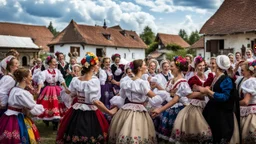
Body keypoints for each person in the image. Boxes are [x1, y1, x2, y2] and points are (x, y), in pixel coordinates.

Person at [56, 52, 117, 144]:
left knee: (74, 133)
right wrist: (109, 112)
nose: (98, 66)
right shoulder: (94, 81)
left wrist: (76, 94)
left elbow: (71, 94)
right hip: (90, 111)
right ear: (92, 67)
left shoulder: (76, 80)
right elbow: (95, 101)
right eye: (97, 65)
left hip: (76, 110)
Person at [108, 59, 167, 144]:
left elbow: (121, 96)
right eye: (144, 65)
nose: (146, 66)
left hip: (126, 110)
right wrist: (163, 94)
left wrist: (115, 106)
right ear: (139, 68)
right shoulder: (143, 83)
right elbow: (155, 97)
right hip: (139, 111)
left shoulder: (126, 82)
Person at [198, 55, 239, 144]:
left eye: (214, 63)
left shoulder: (226, 79)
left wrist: (208, 91)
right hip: (214, 113)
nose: (212, 65)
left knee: (220, 138)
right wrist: (205, 92)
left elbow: (225, 97)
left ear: (219, 65)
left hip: (222, 115)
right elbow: (213, 95)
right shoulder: (216, 78)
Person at [171, 56, 213, 143]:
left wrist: (207, 92)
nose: (202, 67)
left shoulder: (207, 77)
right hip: (196, 105)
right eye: (199, 66)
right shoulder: (193, 79)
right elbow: (192, 94)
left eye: (203, 65)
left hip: (206, 104)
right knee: (200, 128)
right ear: (196, 66)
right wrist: (207, 92)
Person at [152, 56, 191, 142]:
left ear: (177, 68)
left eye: (172, 66)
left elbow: (175, 100)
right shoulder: (172, 80)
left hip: (182, 108)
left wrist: (160, 109)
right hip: (171, 106)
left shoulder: (182, 82)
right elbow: (168, 95)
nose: (169, 68)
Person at [0, 68, 44, 143]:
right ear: (24, 78)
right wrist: (43, 108)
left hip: (8, 117)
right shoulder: (22, 93)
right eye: (30, 76)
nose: (31, 78)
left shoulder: (14, 89)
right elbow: (33, 109)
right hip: (17, 118)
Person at [36, 55, 70, 130]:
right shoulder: (44, 72)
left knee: (58, 104)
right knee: (48, 104)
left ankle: (55, 122)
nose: (55, 63)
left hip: (57, 89)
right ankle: (47, 120)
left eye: (55, 62)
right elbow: (41, 81)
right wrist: (38, 90)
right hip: (48, 89)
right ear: (49, 63)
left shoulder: (57, 71)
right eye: (54, 62)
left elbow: (62, 80)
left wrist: (66, 88)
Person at [239, 60, 256, 143]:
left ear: (249, 71)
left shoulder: (250, 81)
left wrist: (234, 103)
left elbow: (246, 101)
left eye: (242, 70)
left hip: (251, 115)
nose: (241, 72)